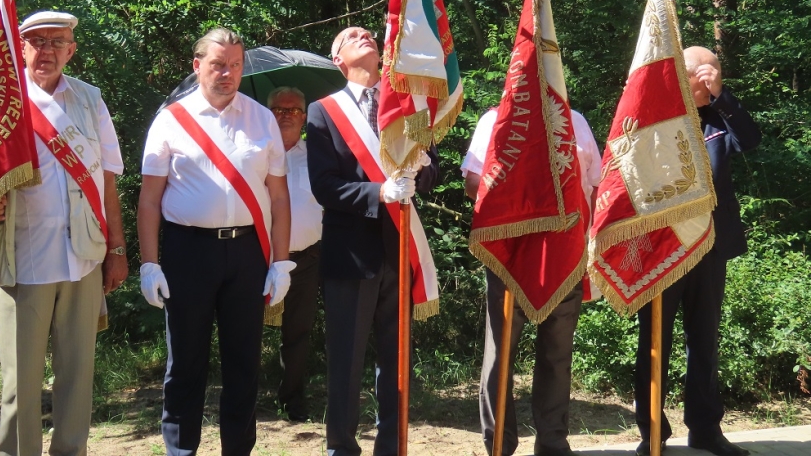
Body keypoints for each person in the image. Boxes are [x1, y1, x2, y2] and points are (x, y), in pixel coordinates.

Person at [137, 27, 294, 456]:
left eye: (236, 65)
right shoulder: (171, 119)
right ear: (197, 65)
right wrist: (149, 263)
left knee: (244, 362)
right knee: (185, 362)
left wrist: (281, 262)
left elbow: (279, 197)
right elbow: (149, 200)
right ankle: (180, 450)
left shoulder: (261, 118)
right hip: (188, 252)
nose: (228, 73)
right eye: (218, 64)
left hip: (247, 253)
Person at [0, 10, 128, 456]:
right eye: (37, 41)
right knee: (20, 383)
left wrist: (117, 249)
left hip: (83, 257)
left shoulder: (90, 99)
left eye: (57, 42)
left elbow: (107, 179)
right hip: (21, 257)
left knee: (77, 376)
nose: (47, 50)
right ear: (21, 47)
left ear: (71, 50)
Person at [306, 26, 439, 456]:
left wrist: (422, 168)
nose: (363, 36)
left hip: (400, 247)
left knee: (397, 360)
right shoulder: (323, 112)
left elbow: (432, 173)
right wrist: (378, 192)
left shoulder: (404, 105)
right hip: (351, 253)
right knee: (346, 360)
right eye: (351, 36)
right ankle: (342, 448)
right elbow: (325, 186)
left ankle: (391, 446)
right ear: (338, 60)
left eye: (367, 33)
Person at [633, 46, 761, 456]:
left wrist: (722, 96)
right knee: (654, 341)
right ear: (682, 75)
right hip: (663, 246)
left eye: (716, 71)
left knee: (703, 341)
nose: (710, 78)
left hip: (710, 245)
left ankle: (705, 430)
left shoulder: (720, 117)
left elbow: (750, 140)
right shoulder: (657, 118)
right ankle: (652, 432)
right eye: (703, 72)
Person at [462, 107, 602, 456]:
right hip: (511, 254)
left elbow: (595, 187)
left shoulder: (576, 120)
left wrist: (583, 237)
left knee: (558, 352)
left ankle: (553, 443)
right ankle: (498, 442)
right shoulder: (496, 120)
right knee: (501, 351)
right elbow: (473, 183)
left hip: (564, 253)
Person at [267, 86, 323, 422]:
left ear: (304, 117)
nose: (286, 115)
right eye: (279, 109)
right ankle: (244, 396)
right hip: (258, 258)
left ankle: (292, 400)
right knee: (244, 328)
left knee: (298, 332)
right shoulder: (256, 152)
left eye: (293, 110)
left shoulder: (318, 154)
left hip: (306, 259)